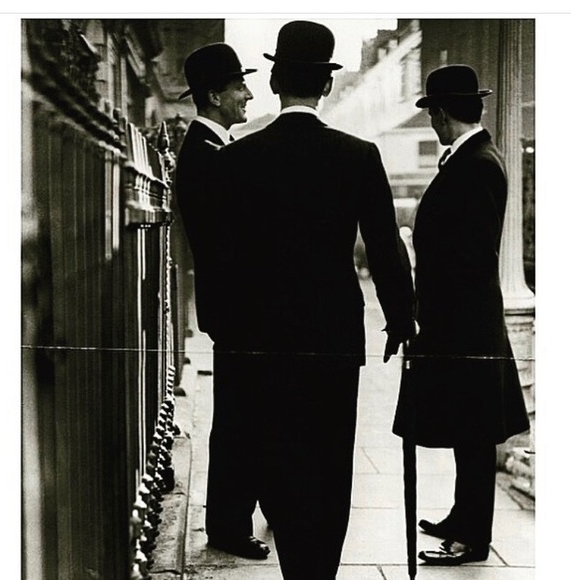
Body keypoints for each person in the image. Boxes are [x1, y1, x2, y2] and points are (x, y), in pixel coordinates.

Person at [213, 21, 415, 579]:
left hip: (262, 341)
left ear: (274, 82)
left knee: (277, 458)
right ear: (326, 86)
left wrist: (228, 330)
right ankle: (319, 568)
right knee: (329, 462)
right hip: (332, 338)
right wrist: (401, 319)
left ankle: (293, 565)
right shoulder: (358, 156)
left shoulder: (236, 159)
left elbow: (220, 257)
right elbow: (385, 246)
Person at [392, 64, 530, 566]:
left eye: (432, 113)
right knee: (468, 427)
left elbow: (468, 256)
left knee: (473, 432)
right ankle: (462, 515)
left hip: (465, 323)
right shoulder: (472, 159)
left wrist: (433, 315)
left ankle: (472, 536)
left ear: (442, 113)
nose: (432, 123)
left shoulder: (476, 164)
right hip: (463, 319)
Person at [174, 43, 271, 560]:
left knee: (246, 415)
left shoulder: (213, 148)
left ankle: (242, 512)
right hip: (240, 310)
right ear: (214, 95)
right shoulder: (209, 154)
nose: (248, 94)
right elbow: (235, 242)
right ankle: (229, 526)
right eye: (239, 87)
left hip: (236, 308)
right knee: (239, 420)